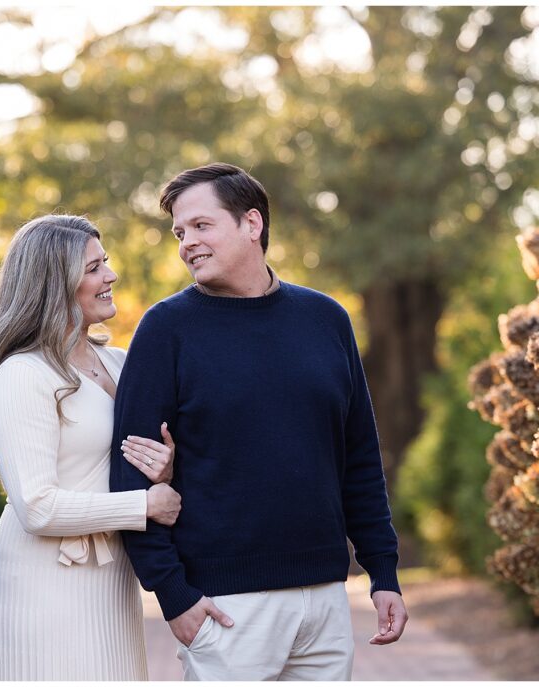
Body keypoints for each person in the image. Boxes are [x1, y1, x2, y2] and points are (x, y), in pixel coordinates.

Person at [110, 163, 409, 681]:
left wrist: (383, 571)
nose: (186, 243)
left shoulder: (325, 320)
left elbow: (358, 457)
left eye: (202, 226)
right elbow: (129, 474)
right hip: (226, 607)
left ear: (252, 224)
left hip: (326, 600)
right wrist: (173, 595)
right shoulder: (166, 330)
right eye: (180, 232)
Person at [0, 214, 180, 680]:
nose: (110, 276)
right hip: (45, 583)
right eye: (94, 268)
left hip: (113, 574)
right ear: (54, 283)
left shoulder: (119, 362)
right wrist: (145, 505)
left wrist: (164, 467)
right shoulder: (23, 376)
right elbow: (37, 508)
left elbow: (135, 461)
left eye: (107, 263)